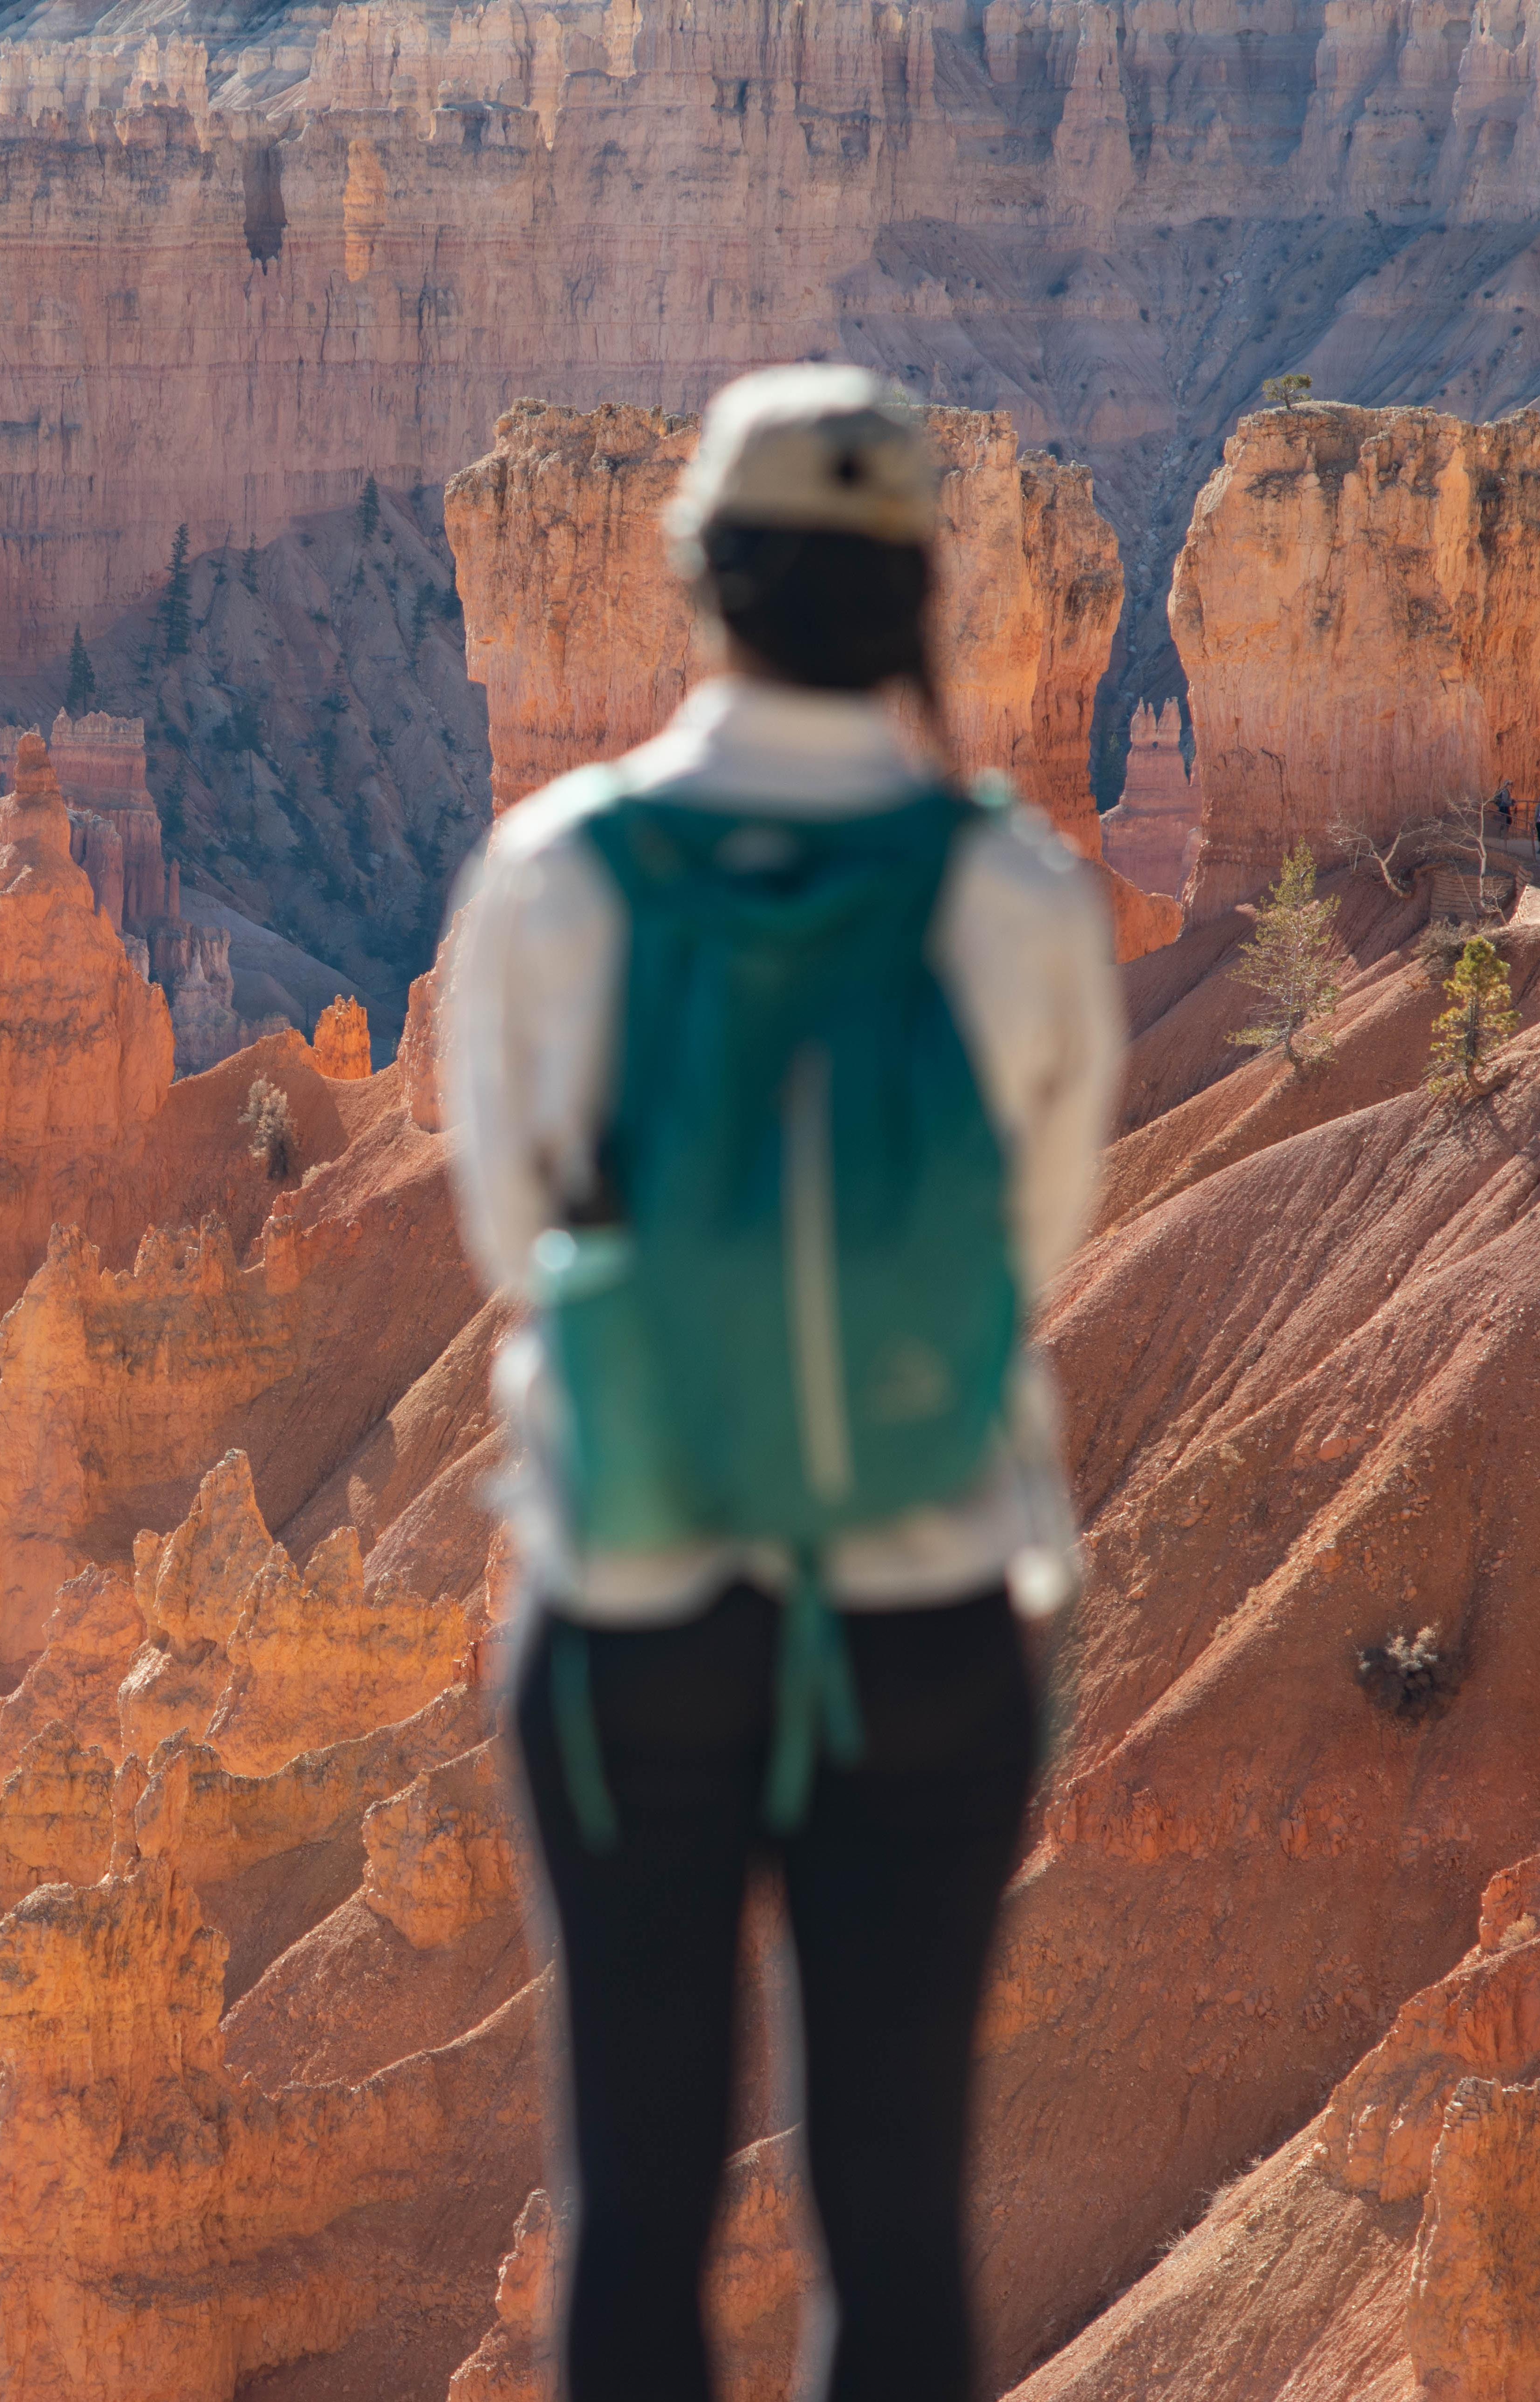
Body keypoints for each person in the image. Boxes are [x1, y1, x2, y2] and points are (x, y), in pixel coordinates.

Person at [442, 364, 1122, 2402]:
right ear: (924, 592)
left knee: (634, 2213)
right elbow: (1037, 1238)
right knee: (896, 2226)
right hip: (926, 1612)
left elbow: (516, 1239)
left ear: (694, 588)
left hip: (633, 1607)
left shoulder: (563, 869)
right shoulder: (1010, 890)